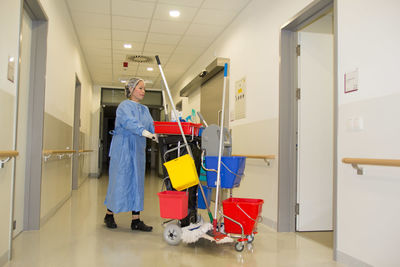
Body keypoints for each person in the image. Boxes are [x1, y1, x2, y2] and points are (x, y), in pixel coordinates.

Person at [104, 77, 158, 232]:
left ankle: (136, 220)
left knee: (137, 183)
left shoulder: (145, 110)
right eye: (140, 88)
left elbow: (152, 126)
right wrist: (145, 132)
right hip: (123, 149)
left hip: (138, 150)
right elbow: (129, 123)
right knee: (119, 181)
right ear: (131, 89)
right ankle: (109, 214)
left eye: (144, 89)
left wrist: (160, 132)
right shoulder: (123, 106)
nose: (143, 91)